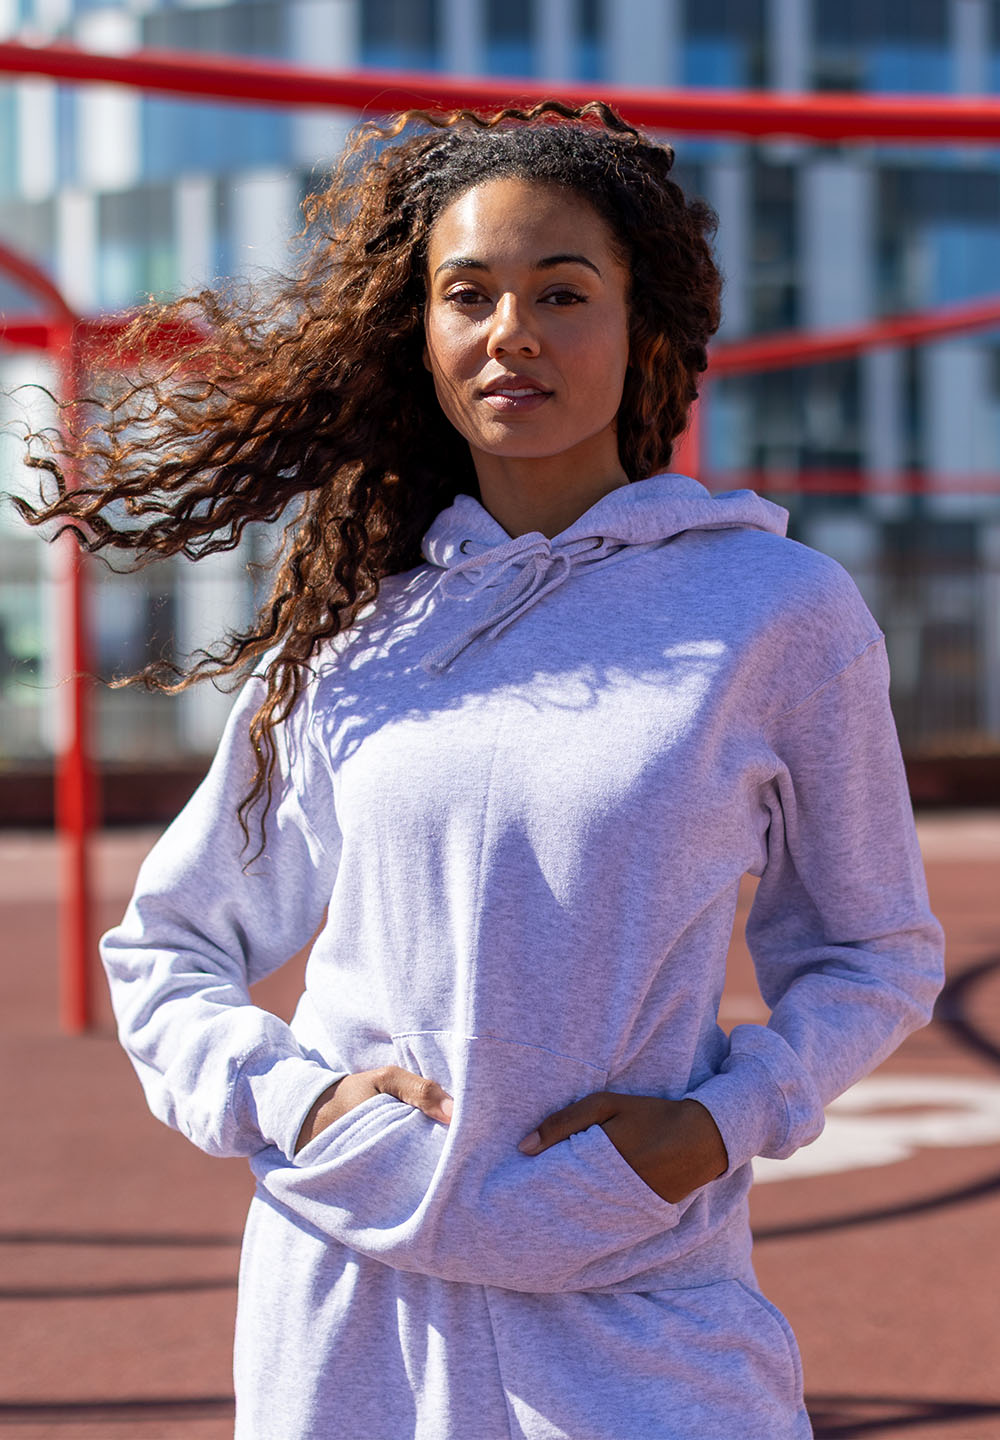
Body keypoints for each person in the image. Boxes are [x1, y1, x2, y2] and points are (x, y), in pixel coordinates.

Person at [15, 102, 944, 1439]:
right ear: (426, 334)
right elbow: (171, 944)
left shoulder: (776, 610)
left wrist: (721, 1124)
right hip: (349, 1295)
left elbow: (874, 949)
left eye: (562, 293)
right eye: (469, 295)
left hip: (633, 1278)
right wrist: (306, 1106)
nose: (512, 332)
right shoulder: (354, 625)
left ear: (646, 332)